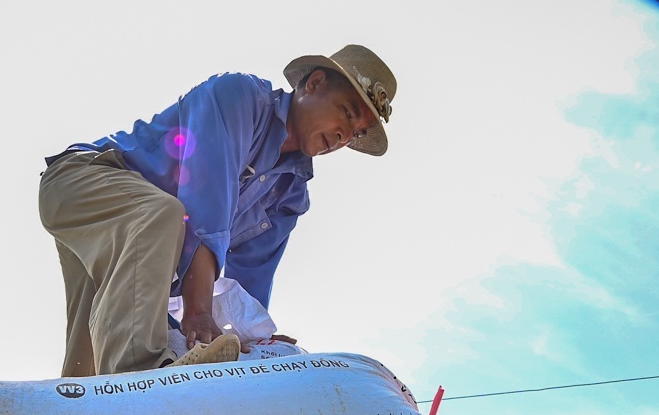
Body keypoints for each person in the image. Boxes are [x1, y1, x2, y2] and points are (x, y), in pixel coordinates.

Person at [40, 45, 397, 377]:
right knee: (164, 217)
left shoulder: (291, 194)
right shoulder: (240, 98)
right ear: (314, 84)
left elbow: (249, 282)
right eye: (347, 114)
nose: (343, 136)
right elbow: (203, 202)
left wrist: (258, 341)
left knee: (91, 351)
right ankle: (143, 384)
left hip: (132, 244)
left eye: (356, 133)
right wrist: (198, 313)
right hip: (84, 179)